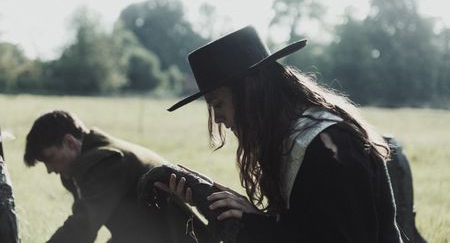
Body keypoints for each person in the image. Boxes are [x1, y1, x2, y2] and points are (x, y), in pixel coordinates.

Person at [157, 26, 404, 242]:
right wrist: (244, 212)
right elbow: (304, 229)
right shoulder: (295, 140)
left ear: (251, 92)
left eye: (218, 104)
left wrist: (251, 222)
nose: (218, 118)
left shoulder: (328, 146)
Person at [24, 110, 209, 243]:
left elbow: (83, 226)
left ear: (69, 142)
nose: (49, 170)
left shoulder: (103, 162)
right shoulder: (93, 155)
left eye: (50, 158)